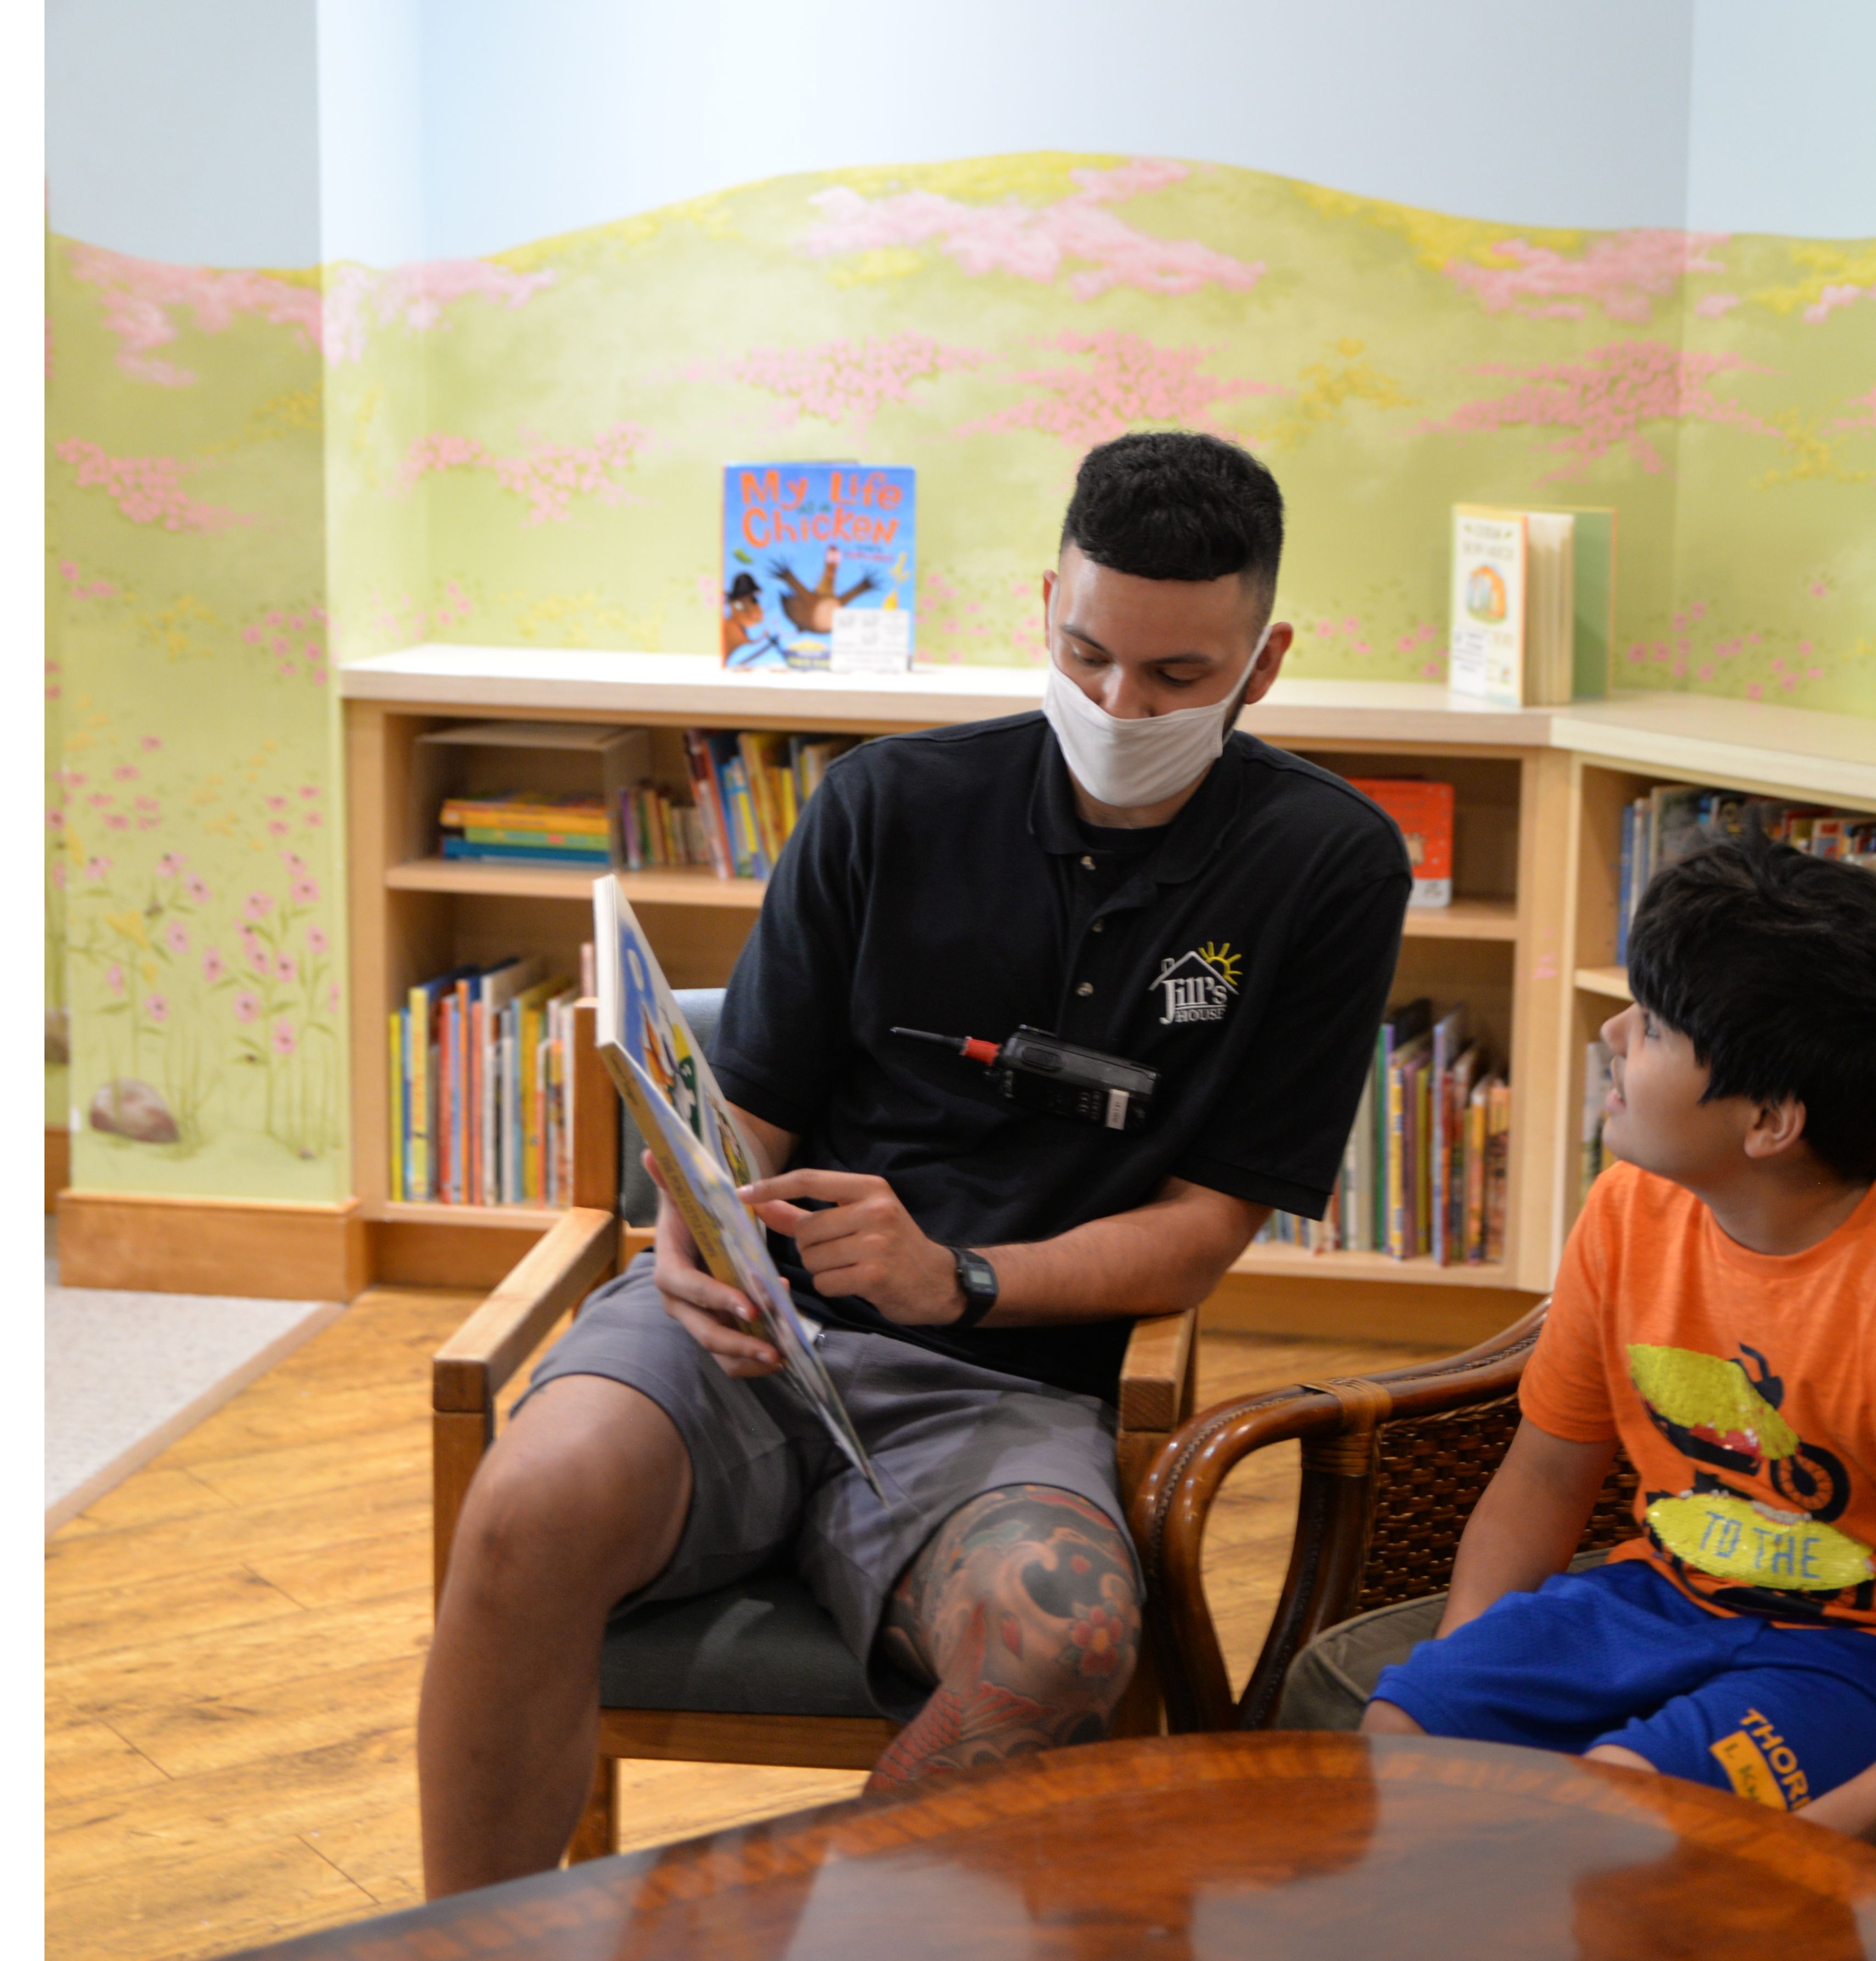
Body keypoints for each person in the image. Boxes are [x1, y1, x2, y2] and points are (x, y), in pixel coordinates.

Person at [419, 432, 1415, 1894]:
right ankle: (473, 1944)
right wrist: (701, 1230)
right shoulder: (885, 802)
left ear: (1262, 666)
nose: (1115, 703)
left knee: (1062, 1635)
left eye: (1174, 679)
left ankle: (817, 1936)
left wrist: (958, 1277)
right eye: (1085, 654)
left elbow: (1202, 1231)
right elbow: (748, 1109)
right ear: (1045, 607)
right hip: (754, 1335)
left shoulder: (1329, 866)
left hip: (1008, 1391)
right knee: (522, 1504)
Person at [1361, 844, 1876, 1844]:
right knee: (1402, 1723)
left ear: (1772, 1121)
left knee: (1623, 1804)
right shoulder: (1626, 1210)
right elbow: (1545, 1475)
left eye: (1652, 1025)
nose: (1611, 1032)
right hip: (1656, 1593)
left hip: (1865, 1655)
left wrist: (1828, 1838)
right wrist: (1467, 1673)